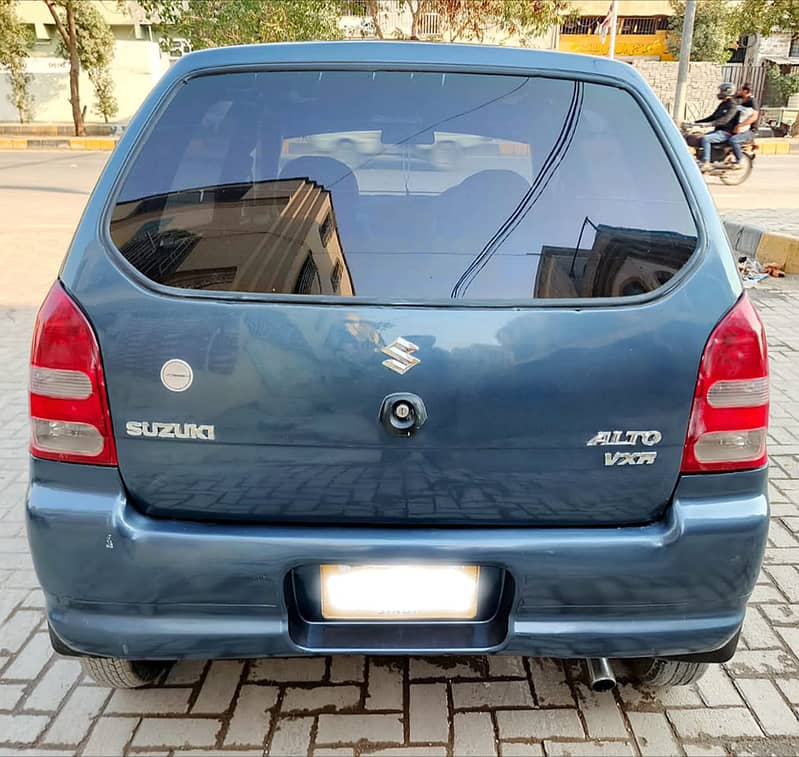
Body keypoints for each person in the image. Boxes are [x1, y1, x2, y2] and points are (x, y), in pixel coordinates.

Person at [694, 82, 739, 172]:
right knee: (698, 138)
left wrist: (710, 124)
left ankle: (706, 163)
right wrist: (696, 122)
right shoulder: (723, 104)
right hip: (718, 131)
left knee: (706, 139)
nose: (719, 93)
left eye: (721, 91)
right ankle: (702, 158)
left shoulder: (733, 105)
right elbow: (712, 117)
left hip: (726, 133)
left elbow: (725, 120)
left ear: (728, 91)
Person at [729, 82, 760, 162]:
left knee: (733, 140)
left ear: (745, 91)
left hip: (749, 130)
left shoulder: (752, 101)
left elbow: (754, 117)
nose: (739, 90)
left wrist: (740, 125)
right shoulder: (741, 98)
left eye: (741, 89)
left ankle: (740, 160)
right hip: (739, 128)